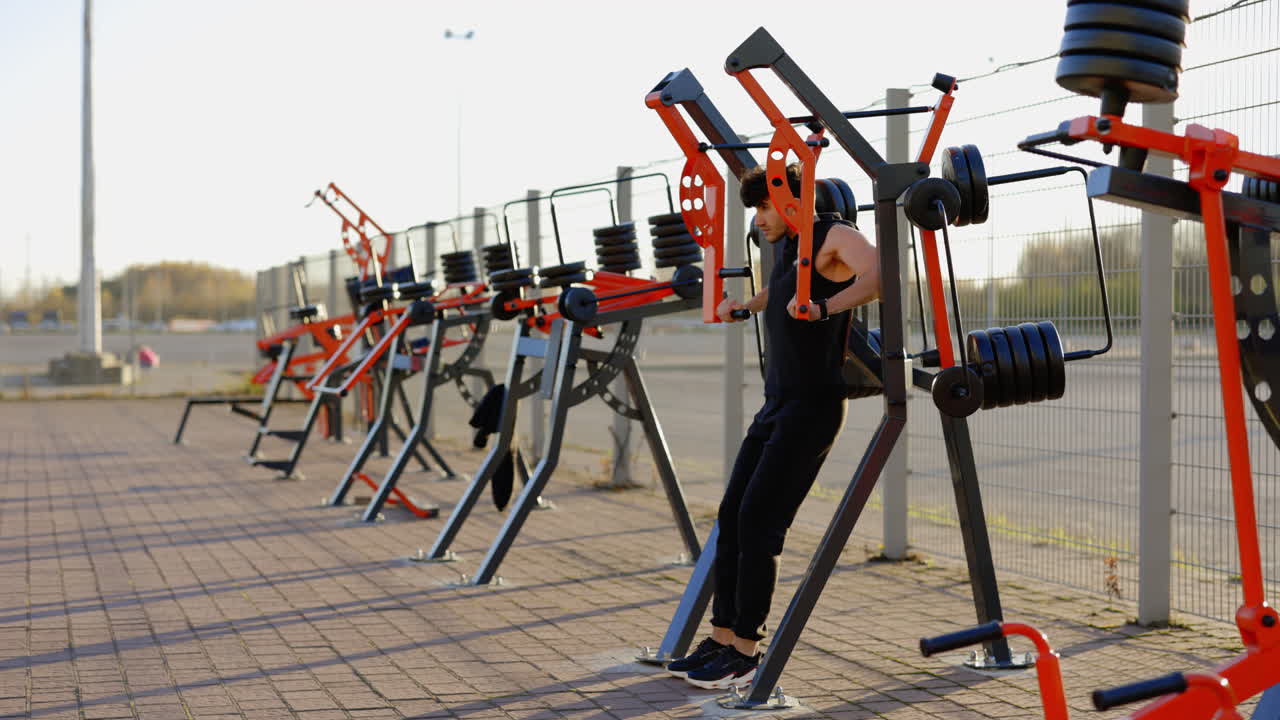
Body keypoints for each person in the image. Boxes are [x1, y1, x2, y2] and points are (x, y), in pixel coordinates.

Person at [670, 164, 881, 690]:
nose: (759, 219)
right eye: (755, 209)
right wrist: (746, 304)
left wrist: (826, 305)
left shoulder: (833, 235)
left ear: (790, 198)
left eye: (764, 206)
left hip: (812, 410)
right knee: (732, 516)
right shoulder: (791, 249)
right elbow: (782, 292)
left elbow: (881, 275)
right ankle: (720, 638)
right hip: (776, 405)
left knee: (760, 522)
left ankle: (746, 650)